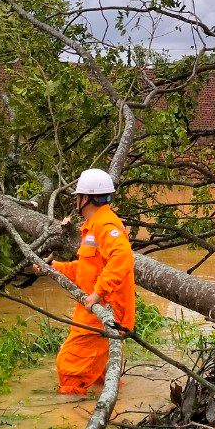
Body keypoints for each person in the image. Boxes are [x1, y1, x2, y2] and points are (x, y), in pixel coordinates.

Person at [49, 168, 136, 396]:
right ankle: (106, 412)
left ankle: (69, 420)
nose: (76, 201)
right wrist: (55, 268)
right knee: (100, 377)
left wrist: (98, 293)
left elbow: (122, 257)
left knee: (70, 370)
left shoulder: (105, 225)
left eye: (78, 197)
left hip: (103, 314)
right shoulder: (93, 226)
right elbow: (89, 268)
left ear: (85, 198)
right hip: (95, 311)